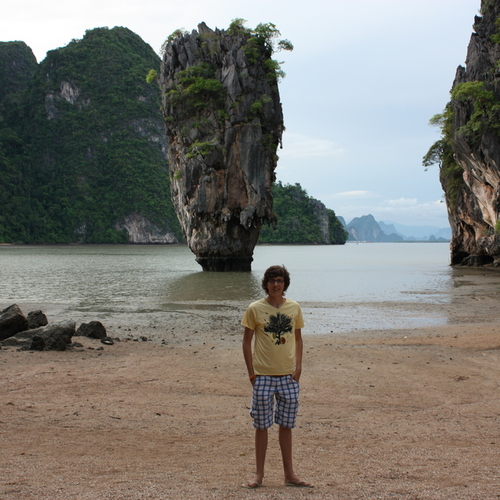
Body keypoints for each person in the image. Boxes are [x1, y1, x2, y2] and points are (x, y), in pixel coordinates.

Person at [241, 265, 313, 489]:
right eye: (272, 280)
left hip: (288, 377)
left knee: (286, 425)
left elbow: (298, 338)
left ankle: (289, 474)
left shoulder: (294, 308)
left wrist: (298, 368)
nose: (276, 284)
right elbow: (246, 341)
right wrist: (251, 373)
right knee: (261, 425)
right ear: (266, 283)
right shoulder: (255, 308)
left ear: (285, 283)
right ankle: (258, 475)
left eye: (279, 280)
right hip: (262, 376)